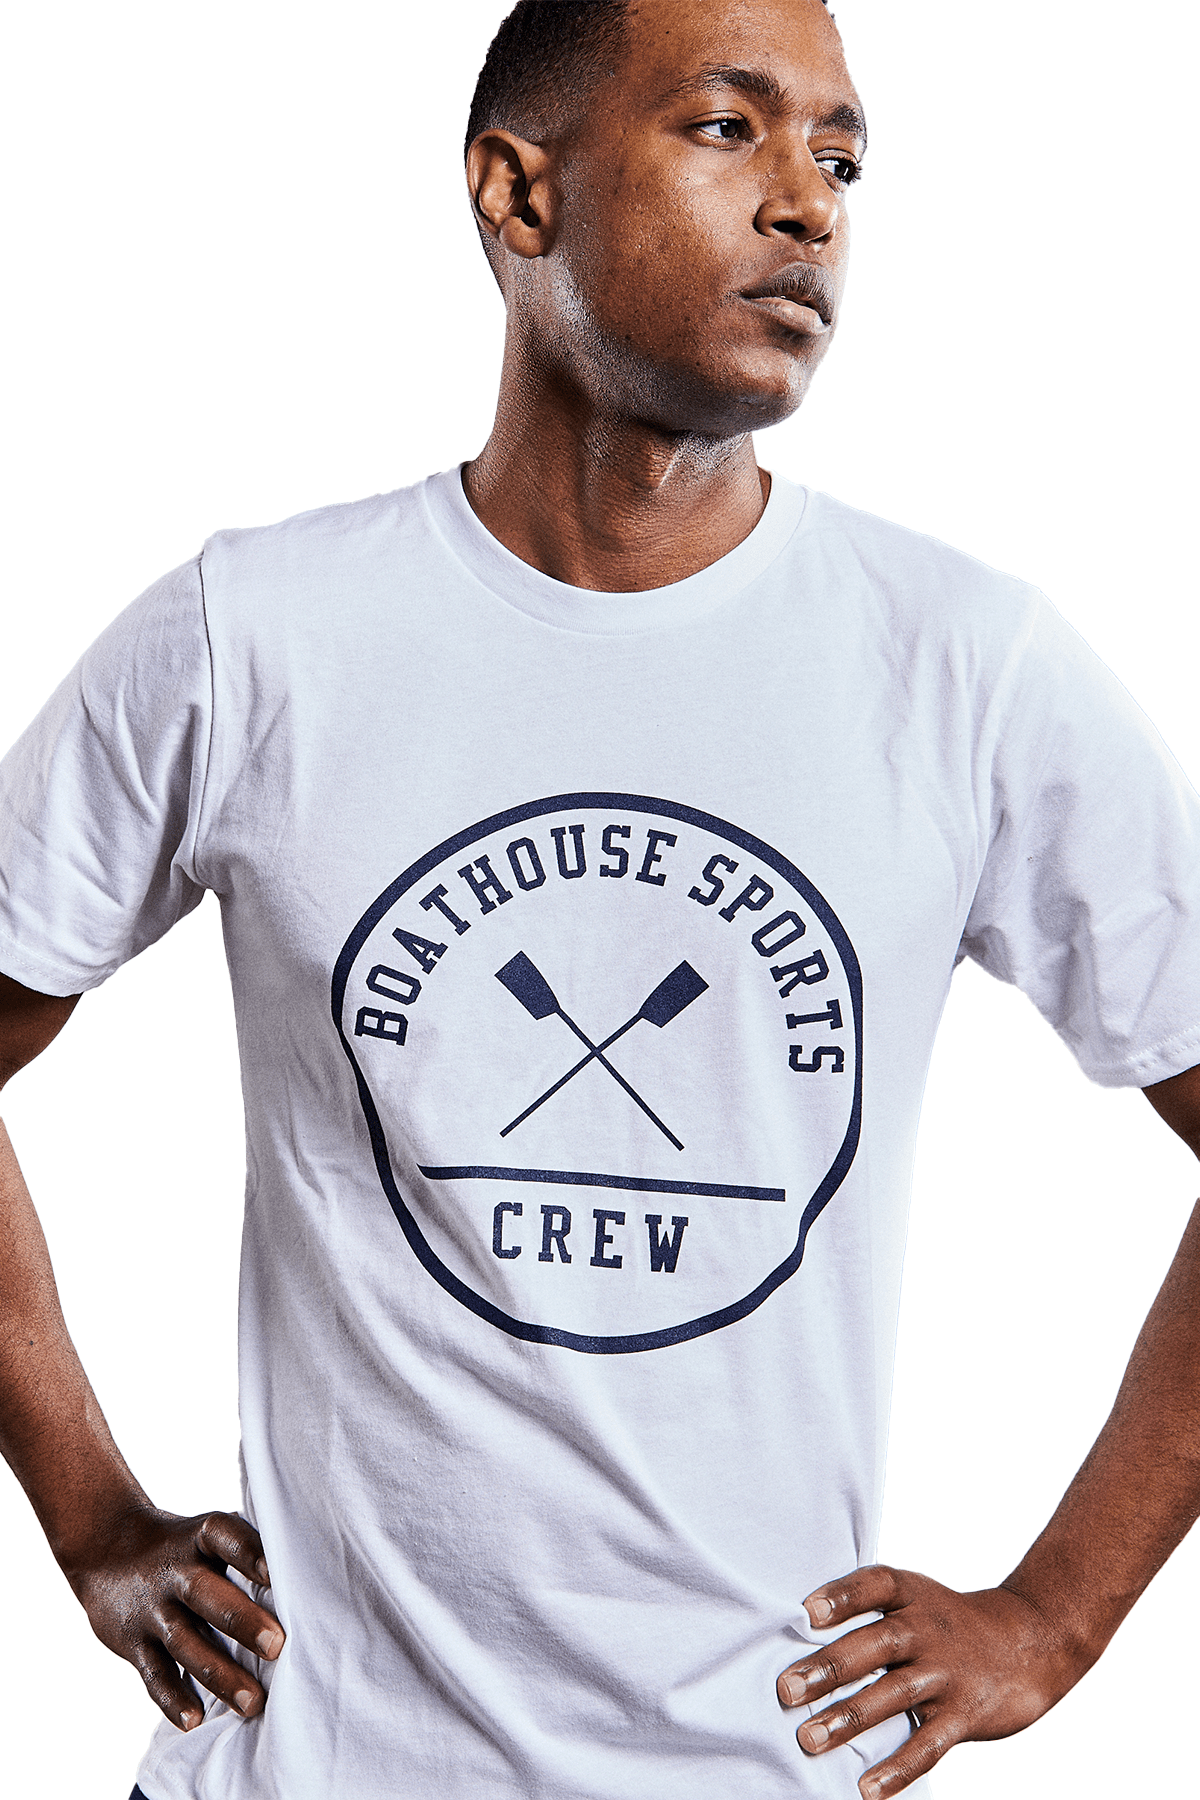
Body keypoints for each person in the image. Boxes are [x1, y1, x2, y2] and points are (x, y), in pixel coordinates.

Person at [1, 2, 1198, 1797]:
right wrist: (90, 1515)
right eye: (728, 126)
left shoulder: (967, 669)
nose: (808, 202)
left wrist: (1058, 1616)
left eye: (844, 156)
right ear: (518, 193)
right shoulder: (254, 639)